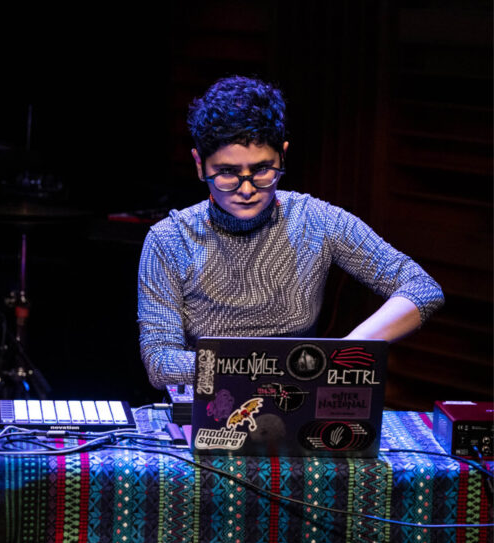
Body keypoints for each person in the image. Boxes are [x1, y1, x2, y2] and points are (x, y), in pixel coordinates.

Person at [138, 75, 444, 390]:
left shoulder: (316, 220)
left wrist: (348, 350)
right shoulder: (168, 240)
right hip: (209, 409)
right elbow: (161, 364)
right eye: (227, 173)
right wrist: (270, 367)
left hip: (297, 402)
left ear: (283, 155)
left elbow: (422, 289)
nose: (247, 189)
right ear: (200, 165)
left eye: (262, 170)